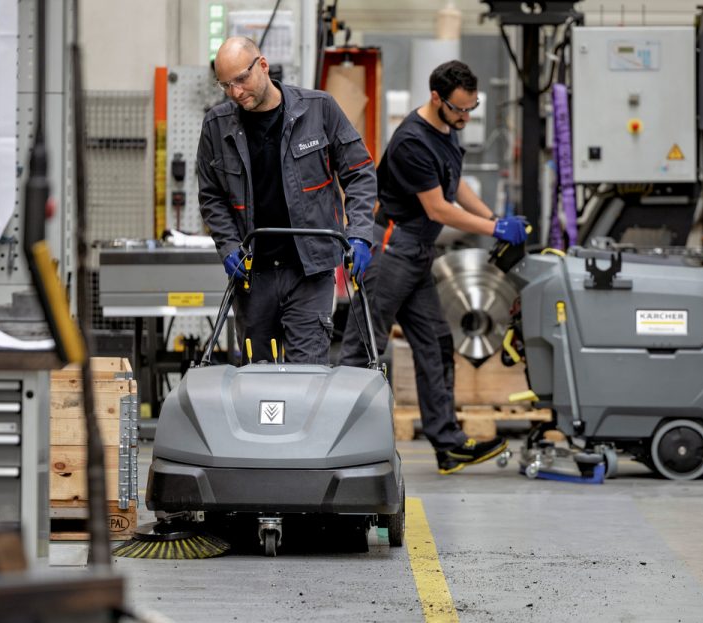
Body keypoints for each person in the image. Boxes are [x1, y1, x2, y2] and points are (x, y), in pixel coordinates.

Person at [337, 60, 529, 475]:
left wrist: (493, 218)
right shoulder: (412, 142)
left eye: (471, 108)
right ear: (436, 98)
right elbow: (438, 207)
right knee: (363, 347)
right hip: (392, 250)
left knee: (436, 344)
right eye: (459, 109)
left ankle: (448, 445)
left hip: (418, 253)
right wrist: (494, 228)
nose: (465, 117)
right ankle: (339, 446)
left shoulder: (446, 129)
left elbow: (455, 186)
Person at [196, 37, 376, 365]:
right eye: (225, 85)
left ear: (263, 66)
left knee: (307, 377)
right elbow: (211, 196)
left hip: (309, 272)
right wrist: (228, 244)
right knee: (256, 380)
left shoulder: (319, 109)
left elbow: (360, 172)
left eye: (241, 79)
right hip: (254, 276)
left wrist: (360, 234)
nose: (235, 92)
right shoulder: (216, 126)